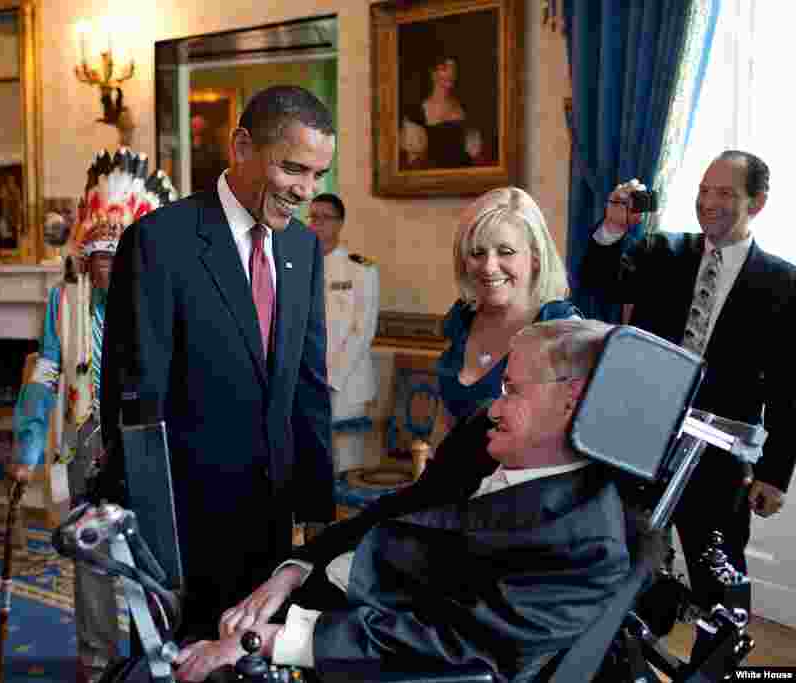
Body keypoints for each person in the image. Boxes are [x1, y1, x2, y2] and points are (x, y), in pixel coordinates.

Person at [172, 319, 632, 682]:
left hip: (360, 649)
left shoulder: (586, 544)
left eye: (511, 390)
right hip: (326, 593)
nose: (493, 407)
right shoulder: (484, 438)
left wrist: (273, 641)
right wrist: (295, 570)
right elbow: (399, 507)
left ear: (571, 401)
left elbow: (455, 646)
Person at [98, 85, 337, 639]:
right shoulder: (161, 240)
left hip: (272, 514)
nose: (306, 191)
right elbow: (135, 396)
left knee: (256, 658)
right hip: (184, 523)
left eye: (317, 174)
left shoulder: (302, 249)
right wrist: (147, 524)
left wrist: (317, 505)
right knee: (186, 662)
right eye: (293, 169)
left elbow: (308, 381)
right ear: (241, 146)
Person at [580, 150, 796, 651]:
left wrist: (773, 473)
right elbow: (598, 281)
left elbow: (788, 388)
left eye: (725, 193)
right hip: (637, 440)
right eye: (703, 191)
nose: (708, 203)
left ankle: (717, 665)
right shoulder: (662, 252)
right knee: (622, 563)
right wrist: (614, 227)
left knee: (718, 579)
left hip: (719, 456)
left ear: (758, 203)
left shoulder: (784, 284)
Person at [8, 148, 175, 683]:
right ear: (83, 258)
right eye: (96, 255)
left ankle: (158, 651)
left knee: (152, 551)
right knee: (89, 549)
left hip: (146, 440)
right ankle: (96, 658)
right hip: (85, 439)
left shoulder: (154, 298)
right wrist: (28, 444)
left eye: (114, 253)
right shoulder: (64, 303)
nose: (105, 265)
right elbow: (48, 372)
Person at [436, 187, 579, 427]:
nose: (489, 267)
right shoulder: (460, 318)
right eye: (477, 253)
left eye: (506, 252)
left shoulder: (561, 330)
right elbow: (445, 427)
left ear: (535, 257)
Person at [306, 194, 380, 475]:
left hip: (347, 384)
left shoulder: (360, 267)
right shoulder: (298, 265)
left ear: (340, 223)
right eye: (312, 217)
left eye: (325, 217)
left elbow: (363, 330)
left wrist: (331, 377)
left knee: (348, 467)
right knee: (313, 468)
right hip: (309, 380)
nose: (317, 224)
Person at [400, 55, 486, 169]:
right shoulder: (416, 112)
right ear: (433, 74)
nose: (451, 73)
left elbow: (475, 154)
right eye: (444, 68)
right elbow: (414, 162)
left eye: (454, 68)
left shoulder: (464, 109)